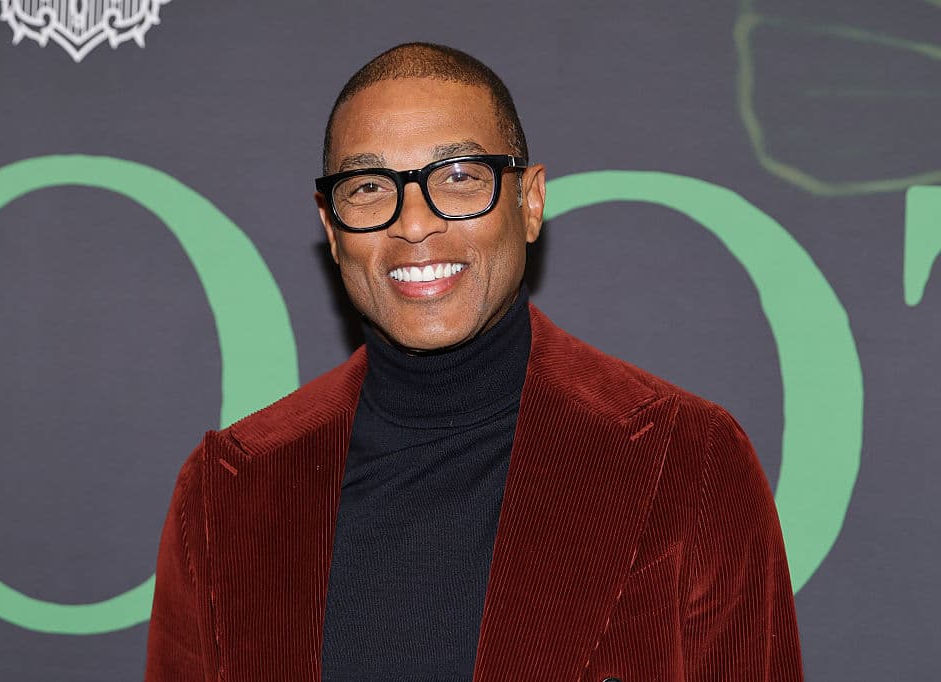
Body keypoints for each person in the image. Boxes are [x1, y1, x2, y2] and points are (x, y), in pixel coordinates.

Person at [145, 43, 803, 681]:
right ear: (332, 225)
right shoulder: (226, 492)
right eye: (369, 186)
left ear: (530, 202)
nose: (414, 223)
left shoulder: (689, 458)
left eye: (458, 177)